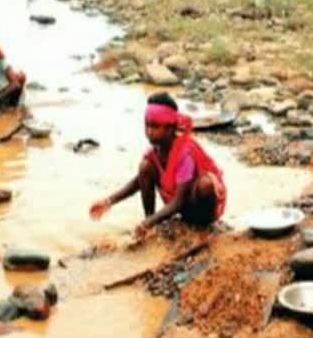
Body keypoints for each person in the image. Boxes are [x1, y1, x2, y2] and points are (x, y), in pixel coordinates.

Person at [90, 93, 227, 236]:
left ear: (170, 128)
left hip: (198, 207)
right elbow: (138, 182)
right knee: (145, 167)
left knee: (205, 185)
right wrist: (108, 202)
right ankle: (149, 221)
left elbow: (179, 201)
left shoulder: (184, 154)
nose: (149, 132)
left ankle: (204, 229)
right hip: (183, 206)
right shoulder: (156, 153)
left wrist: (148, 223)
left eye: (155, 127)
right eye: (147, 125)